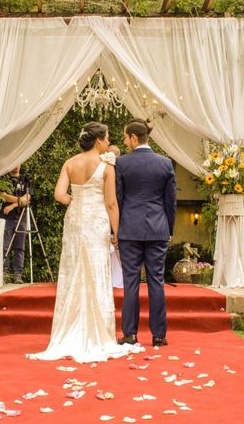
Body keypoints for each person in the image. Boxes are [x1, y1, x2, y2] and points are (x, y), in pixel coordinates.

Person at [28, 122, 142, 362]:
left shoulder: (70, 163)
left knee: (73, 271)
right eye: (107, 137)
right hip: (97, 220)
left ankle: (69, 329)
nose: (109, 141)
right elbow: (111, 203)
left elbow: (59, 195)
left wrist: (76, 201)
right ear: (99, 140)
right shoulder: (106, 166)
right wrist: (117, 231)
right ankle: (97, 333)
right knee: (96, 271)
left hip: (75, 220)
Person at [116, 118, 176, 347]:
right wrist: (169, 229)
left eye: (125, 137)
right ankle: (159, 336)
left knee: (130, 282)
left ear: (133, 137)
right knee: (156, 281)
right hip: (158, 229)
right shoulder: (165, 164)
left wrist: (117, 228)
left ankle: (130, 335)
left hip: (129, 230)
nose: (124, 141)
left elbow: (119, 200)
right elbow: (170, 202)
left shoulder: (122, 164)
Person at [0, 165, 31, 284]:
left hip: (21, 217)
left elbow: (27, 199)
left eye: (18, 163)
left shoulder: (25, 179)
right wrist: (19, 200)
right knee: (4, 246)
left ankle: (17, 275)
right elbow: (3, 196)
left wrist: (13, 205)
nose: (16, 166)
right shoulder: (4, 179)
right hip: (6, 218)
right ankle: (4, 273)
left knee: (20, 248)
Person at [107, 145, 124, 289]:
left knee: (120, 254)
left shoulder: (123, 172)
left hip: (121, 216)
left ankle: (120, 280)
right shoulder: (101, 170)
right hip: (103, 216)